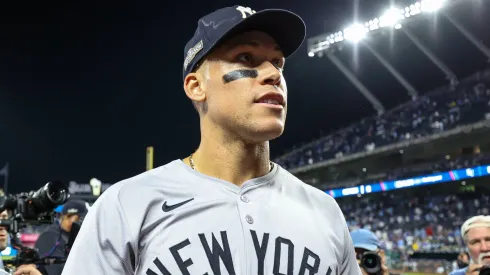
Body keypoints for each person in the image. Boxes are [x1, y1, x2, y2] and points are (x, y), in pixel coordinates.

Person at [62, 5, 362, 275]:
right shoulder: (127, 205)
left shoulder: (325, 212)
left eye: (278, 62)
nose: (273, 74)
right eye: (246, 57)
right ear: (196, 86)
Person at [34, 200, 87, 275]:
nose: (72, 221)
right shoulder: (49, 236)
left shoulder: (76, 235)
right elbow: (57, 271)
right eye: (69, 216)